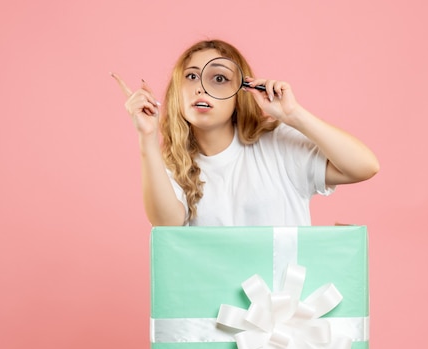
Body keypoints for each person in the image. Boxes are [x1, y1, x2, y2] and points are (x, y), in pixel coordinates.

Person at [112, 39, 379, 226]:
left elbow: (364, 166)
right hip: (209, 307)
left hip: (283, 305)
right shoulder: (173, 165)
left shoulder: (278, 144)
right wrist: (146, 136)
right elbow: (166, 225)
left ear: (241, 92)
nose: (200, 88)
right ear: (175, 93)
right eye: (191, 77)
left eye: (219, 78)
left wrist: (294, 115)